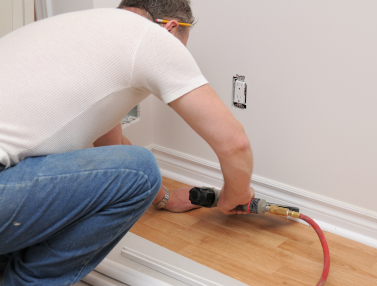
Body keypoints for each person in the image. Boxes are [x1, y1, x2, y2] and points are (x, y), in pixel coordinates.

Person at [0, 0, 254, 285]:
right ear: (171, 28)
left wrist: (165, 198)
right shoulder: (151, 37)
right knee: (142, 167)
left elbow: (110, 144)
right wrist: (237, 194)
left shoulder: (79, 28)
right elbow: (235, 143)